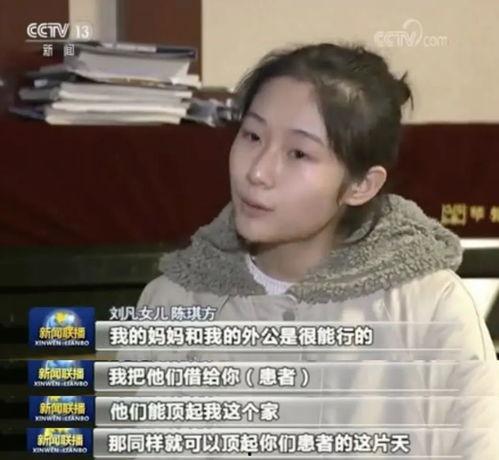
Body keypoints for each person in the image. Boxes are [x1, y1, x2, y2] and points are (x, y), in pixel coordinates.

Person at [130, 42, 498, 457]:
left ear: (361, 185)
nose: (258, 172)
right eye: (252, 135)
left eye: (298, 153)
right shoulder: (172, 302)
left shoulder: (431, 307)